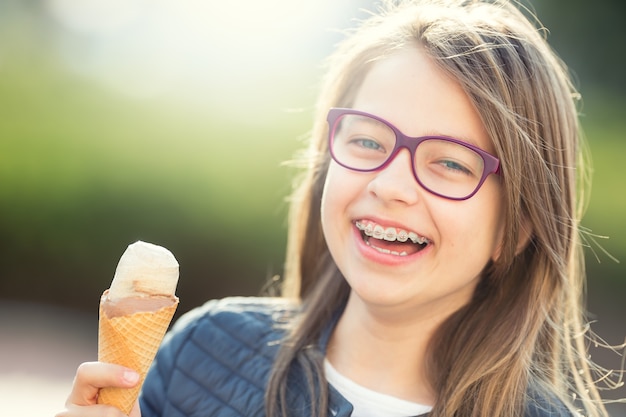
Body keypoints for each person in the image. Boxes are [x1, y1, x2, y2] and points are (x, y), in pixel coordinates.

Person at [56, 0, 619, 416]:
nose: (391, 185)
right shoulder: (201, 352)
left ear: (516, 228)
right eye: (369, 141)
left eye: (451, 163)